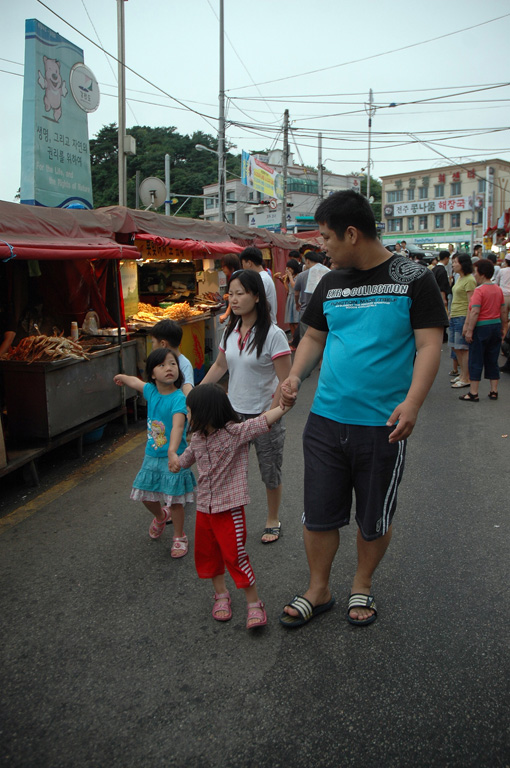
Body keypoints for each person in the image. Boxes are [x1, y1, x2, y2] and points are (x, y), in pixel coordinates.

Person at [278, 189, 447, 628]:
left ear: (352, 234)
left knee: (373, 515)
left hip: (382, 425)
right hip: (325, 421)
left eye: (328, 239)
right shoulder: (330, 282)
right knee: (318, 513)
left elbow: (430, 343)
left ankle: (363, 584)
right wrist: (296, 375)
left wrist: (412, 403)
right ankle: (319, 589)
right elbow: (314, 336)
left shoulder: (413, 277)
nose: (324, 248)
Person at [170, 384, 290, 628]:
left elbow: (260, 422)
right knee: (208, 553)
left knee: (235, 555)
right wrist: (176, 463)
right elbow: (186, 460)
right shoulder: (198, 439)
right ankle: (221, 594)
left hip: (229, 509)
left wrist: (282, 407)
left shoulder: (234, 433)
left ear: (206, 412)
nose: (188, 416)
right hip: (205, 509)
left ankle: (253, 602)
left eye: (190, 411)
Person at [200, 270, 291, 543]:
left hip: (264, 415)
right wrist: (197, 395)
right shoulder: (230, 330)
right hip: (232, 415)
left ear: (256, 297)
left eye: (241, 293)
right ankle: (227, 520)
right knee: (226, 470)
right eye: (232, 293)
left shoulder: (274, 335)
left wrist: (270, 416)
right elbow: (220, 365)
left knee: (269, 470)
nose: (234, 299)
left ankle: (272, 519)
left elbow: (285, 383)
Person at [113, 348, 196, 558]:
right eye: (162, 365)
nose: (169, 368)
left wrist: (172, 452)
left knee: (175, 500)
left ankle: (179, 536)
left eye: (172, 364)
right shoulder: (151, 391)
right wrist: (123, 377)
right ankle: (160, 516)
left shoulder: (179, 398)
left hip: (174, 456)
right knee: (145, 493)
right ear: (152, 373)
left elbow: (178, 427)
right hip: (152, 454)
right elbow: (136, 383)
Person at [459, 259, 507, 402]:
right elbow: (503, 310)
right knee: (492, 359)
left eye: (476, 271)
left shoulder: (479, 291)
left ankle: (473, 392)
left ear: (482, 273)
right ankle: (494, 390)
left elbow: (475, 312)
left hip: (481, 328)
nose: (474, 274)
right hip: (496, 326)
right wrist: (504, 327)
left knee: (476, 359)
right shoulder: (498, 289)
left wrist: (469, 330)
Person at [449, 254, 476, 389]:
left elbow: (472, 303)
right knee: (455, 347)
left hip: (462, 316)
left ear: (463, 264)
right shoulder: (459, 278)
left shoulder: (470, 280)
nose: (453, 264)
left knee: (463, 348)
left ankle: (467, 377)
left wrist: (468, 323)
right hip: (455, 315)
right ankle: (462, 374)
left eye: (455, 262)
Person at [150, 319, 194, 397]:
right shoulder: (157, 361)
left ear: (163, 344)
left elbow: (187, 386)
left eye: (153, 342)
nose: (152, 346)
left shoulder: (184, 364)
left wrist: (190, 405)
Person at [293, 250, 329, 341]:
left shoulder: (302, 275)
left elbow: (296, 293)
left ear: (307, 261)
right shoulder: (328, 273)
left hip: (306, 311)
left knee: (306, 339)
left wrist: (297, 303)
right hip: (325, 311)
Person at [240, 246, 277, 324]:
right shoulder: (265, 277)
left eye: (243, 264)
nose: (243, 268)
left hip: (264, 325)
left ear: (249, 263)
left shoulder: (261, 279)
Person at [275, 255, 301, 351]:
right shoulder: (291, 277)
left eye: (289, 268)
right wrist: (282, 281)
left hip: (296, 299)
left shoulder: (298, 276)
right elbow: (288, 289)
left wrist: (289, 276)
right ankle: (294, 339)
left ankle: (297, 341)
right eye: (287, 268)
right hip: (290, 298)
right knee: (291, 321)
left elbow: (295, 287)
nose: (288, 270)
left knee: (295, 321)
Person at [218, 253, 241, 325]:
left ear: (231, 266)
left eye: (224, 266)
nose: (222, 268)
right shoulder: (237, 275)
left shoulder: (236, 278)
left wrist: (226, 314)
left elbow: (235, 298)